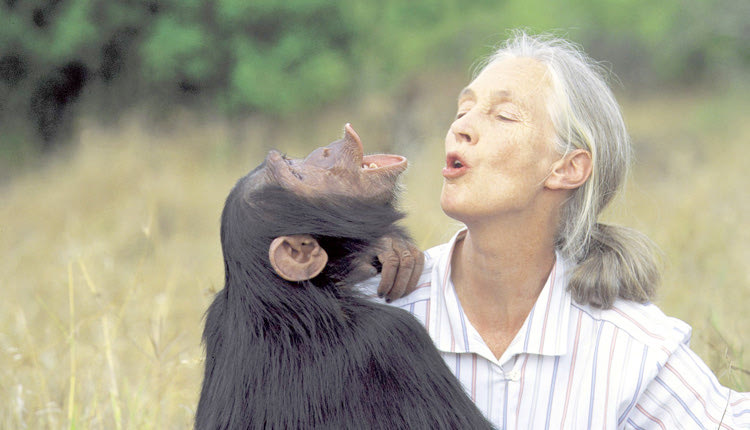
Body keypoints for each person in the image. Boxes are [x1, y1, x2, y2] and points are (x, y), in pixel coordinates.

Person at [362, 30, 750, 428]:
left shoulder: (632, 348)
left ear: (567, 167)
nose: (461, 128)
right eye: (462, 111)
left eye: (503, 116)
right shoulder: (376, 307)